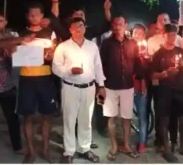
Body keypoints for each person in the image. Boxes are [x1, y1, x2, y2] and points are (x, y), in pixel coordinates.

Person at [52, 17, 105, 163]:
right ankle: (68, 152)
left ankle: (84, 149)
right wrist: (69, 71)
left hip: (89, 88)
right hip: (70, 88)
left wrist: (101, 86)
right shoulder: (63, 47)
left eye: (81, 26)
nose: (78, 29)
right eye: (75, 27)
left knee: (86, 120)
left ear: (85, 27)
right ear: (70, 30)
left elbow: (98, 66)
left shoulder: (92, 46)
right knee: (69, 120)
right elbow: (55, 67)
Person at [16, 3, 57, 163]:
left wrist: (50, 56)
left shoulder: (49, 33)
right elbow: (13, 54)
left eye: (37, 15)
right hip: (26, 78)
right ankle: (31, 152)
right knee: (28, 116)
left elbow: (54, 55)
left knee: (46, 116)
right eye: (31, 15)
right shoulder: (21, 34)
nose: (34, 18)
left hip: (45, 78)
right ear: (27, 16)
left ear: (42, 16)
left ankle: (46, 150)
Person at [100, 15, 144, 161]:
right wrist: (100, 86)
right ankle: (113, 145)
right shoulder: (106, 44)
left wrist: (143, 81)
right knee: (111, 117)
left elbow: (137, 65)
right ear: (113, 26)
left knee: (127, 118)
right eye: (115, 24)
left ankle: (126, 145)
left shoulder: (132, 43)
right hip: (110, 86)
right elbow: (100, 65)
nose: (117, 26)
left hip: (127, 87)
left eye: (120, 24)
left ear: (126, 25)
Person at [151, 24, 183, 163]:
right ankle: (166, 149)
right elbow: (153, 75)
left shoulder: (180, 51)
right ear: (164, 35)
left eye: (174, 34)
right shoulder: (158, 54)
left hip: (179, 90)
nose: (172, 37)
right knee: (164, 120)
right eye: (170, 34)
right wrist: (165, 73)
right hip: (164, 91)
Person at [0, 14, 23, 157]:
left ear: (6, 22)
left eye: (1, 21)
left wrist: (12, 53)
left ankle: (18, 146)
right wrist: (17, 41)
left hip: (7, 86)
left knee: (13, 119)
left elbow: (18, 60)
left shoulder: (11, 38)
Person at [131, 24, 149, 153]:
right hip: (126, 87)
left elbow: (146, 72)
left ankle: (142, 142)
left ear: (144, 35)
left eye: (140, 33)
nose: (137, 35)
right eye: (135, 32)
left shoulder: (146, 51)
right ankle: (126, 141)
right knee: (125, 116)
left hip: (140, 87)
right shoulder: (125, 47)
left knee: (142, 116)